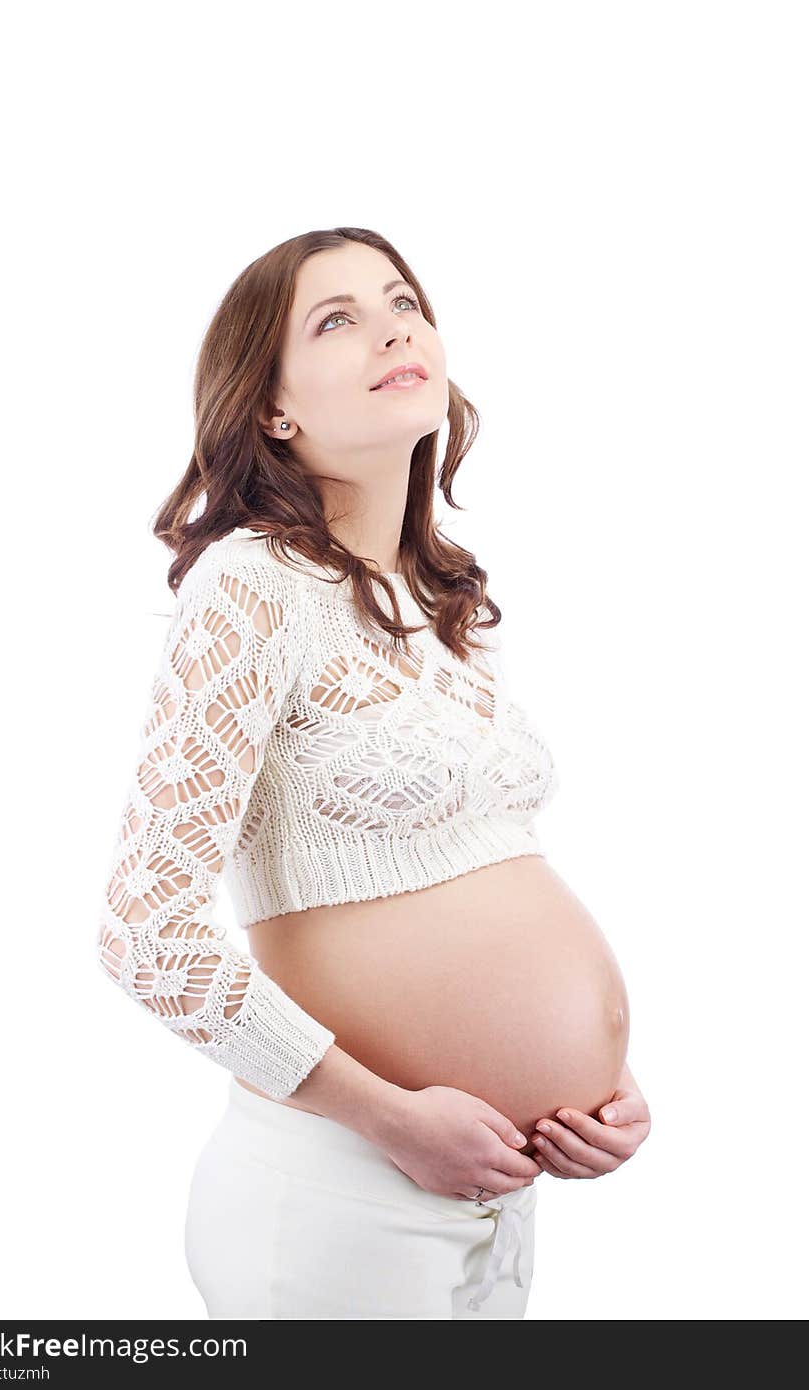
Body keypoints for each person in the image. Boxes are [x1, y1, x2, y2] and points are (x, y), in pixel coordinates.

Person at [96, 226, 651, 1321]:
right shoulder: (251, 586)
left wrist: (592, 1083)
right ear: (272, 409)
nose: (394, 323)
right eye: (335, 318)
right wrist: (388, 1116)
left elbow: (482, 884)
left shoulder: (445, 608)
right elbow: (143, 931)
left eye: (402, 300)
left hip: (489, 1196)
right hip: (340, 1195)